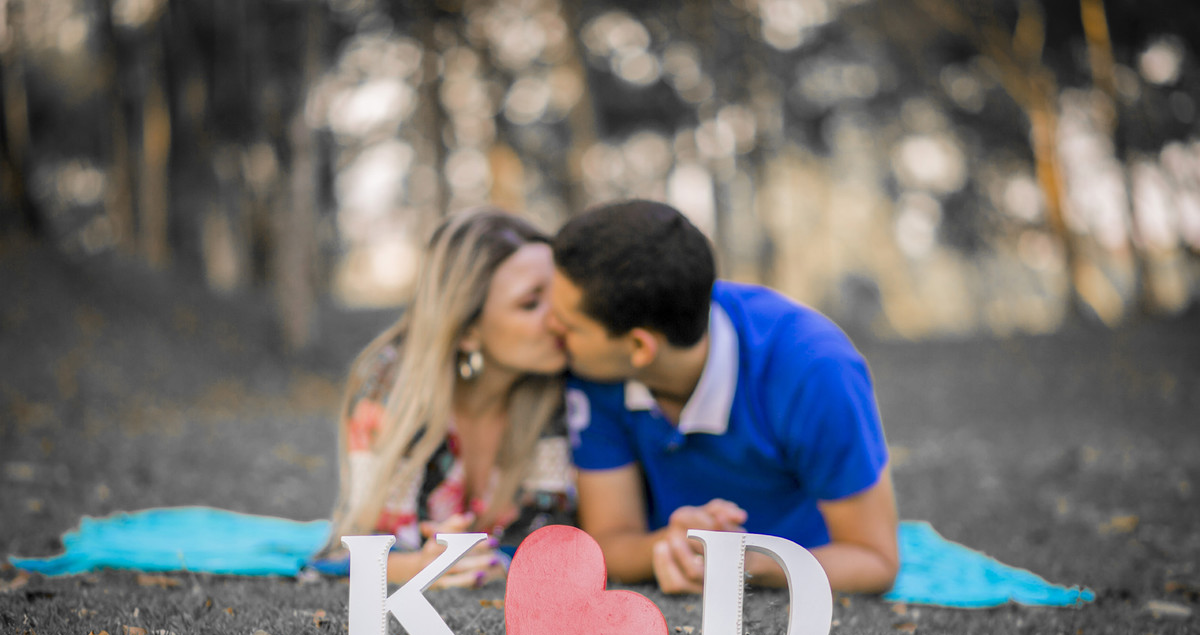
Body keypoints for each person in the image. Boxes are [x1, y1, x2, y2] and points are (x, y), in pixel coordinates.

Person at [546, 199, 898, 595]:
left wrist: (746, 563)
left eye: (568, 325)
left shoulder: (815, 370)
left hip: (810, 556)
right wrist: (671, 546)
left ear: (640, 347)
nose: (549, 326)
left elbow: (874, 559)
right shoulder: (598, 368)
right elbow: (609, 540)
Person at [321, 207, 576, 587]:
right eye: (531, 304)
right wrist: (422, 567)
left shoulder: (559, 385)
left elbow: (554, 536)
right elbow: (357, 547)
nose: (560, 319)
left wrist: (500, 565)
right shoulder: (390, 385)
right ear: (467, 332)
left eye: (561, 297)